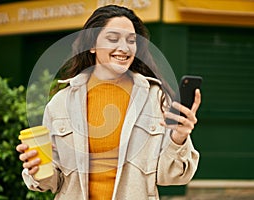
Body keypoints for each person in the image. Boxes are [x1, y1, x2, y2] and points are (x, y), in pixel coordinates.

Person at [16, 5, 201, 200]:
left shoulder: (156, 98)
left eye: (131, 40)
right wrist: (35, 168)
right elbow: (53, 181)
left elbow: (171, 177)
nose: (124, 48)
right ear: (92, 46)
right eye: (113, 39)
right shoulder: (60, 104)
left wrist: (178, 138)